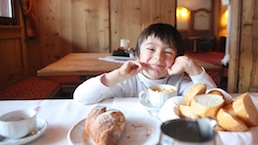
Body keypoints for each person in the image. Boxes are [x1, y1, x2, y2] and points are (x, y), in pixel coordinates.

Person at [73, 23, 217, 105]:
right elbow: (81, 97)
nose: (158, 57)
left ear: (177, 59)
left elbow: (213, 101)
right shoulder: (126, 81)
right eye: (150, 49)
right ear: (137, 54)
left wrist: (192, 67)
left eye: (168, 52)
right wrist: (118, 75)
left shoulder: (179, 83)